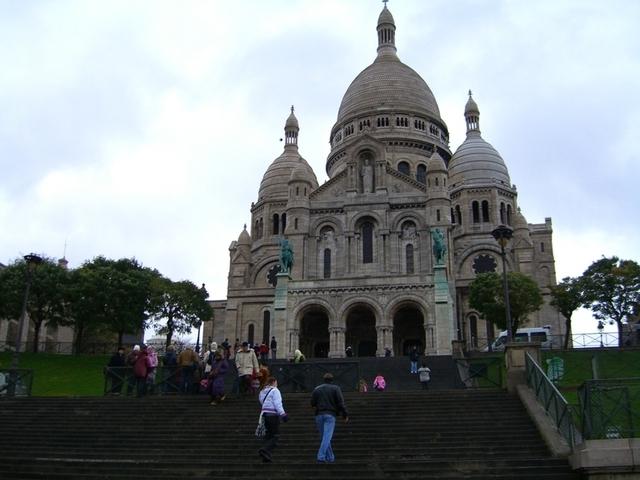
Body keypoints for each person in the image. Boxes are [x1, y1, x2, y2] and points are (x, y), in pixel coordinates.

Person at [311, 373, 349, 464]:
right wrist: (345, 414)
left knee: (324, 437)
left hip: (319, 415)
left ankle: (330, 457)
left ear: (323, 380)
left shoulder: (317, 389)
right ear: (332, 380)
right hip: (330, 414)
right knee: (327, 437)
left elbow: (312, 403)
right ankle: (321, 456)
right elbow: (341, 403)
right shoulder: (336, 388)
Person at [258, 377, 288, 463]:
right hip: (273, 415)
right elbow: (278, 403)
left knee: (267, 435)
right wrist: (283, 414)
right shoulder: (275, 390)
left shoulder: (262, 391)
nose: (277, 384)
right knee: (275, 436)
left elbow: (261, 402)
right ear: (274, 382)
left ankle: (266, 456)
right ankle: (264, 449)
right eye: (276, 382)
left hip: (263, 415)